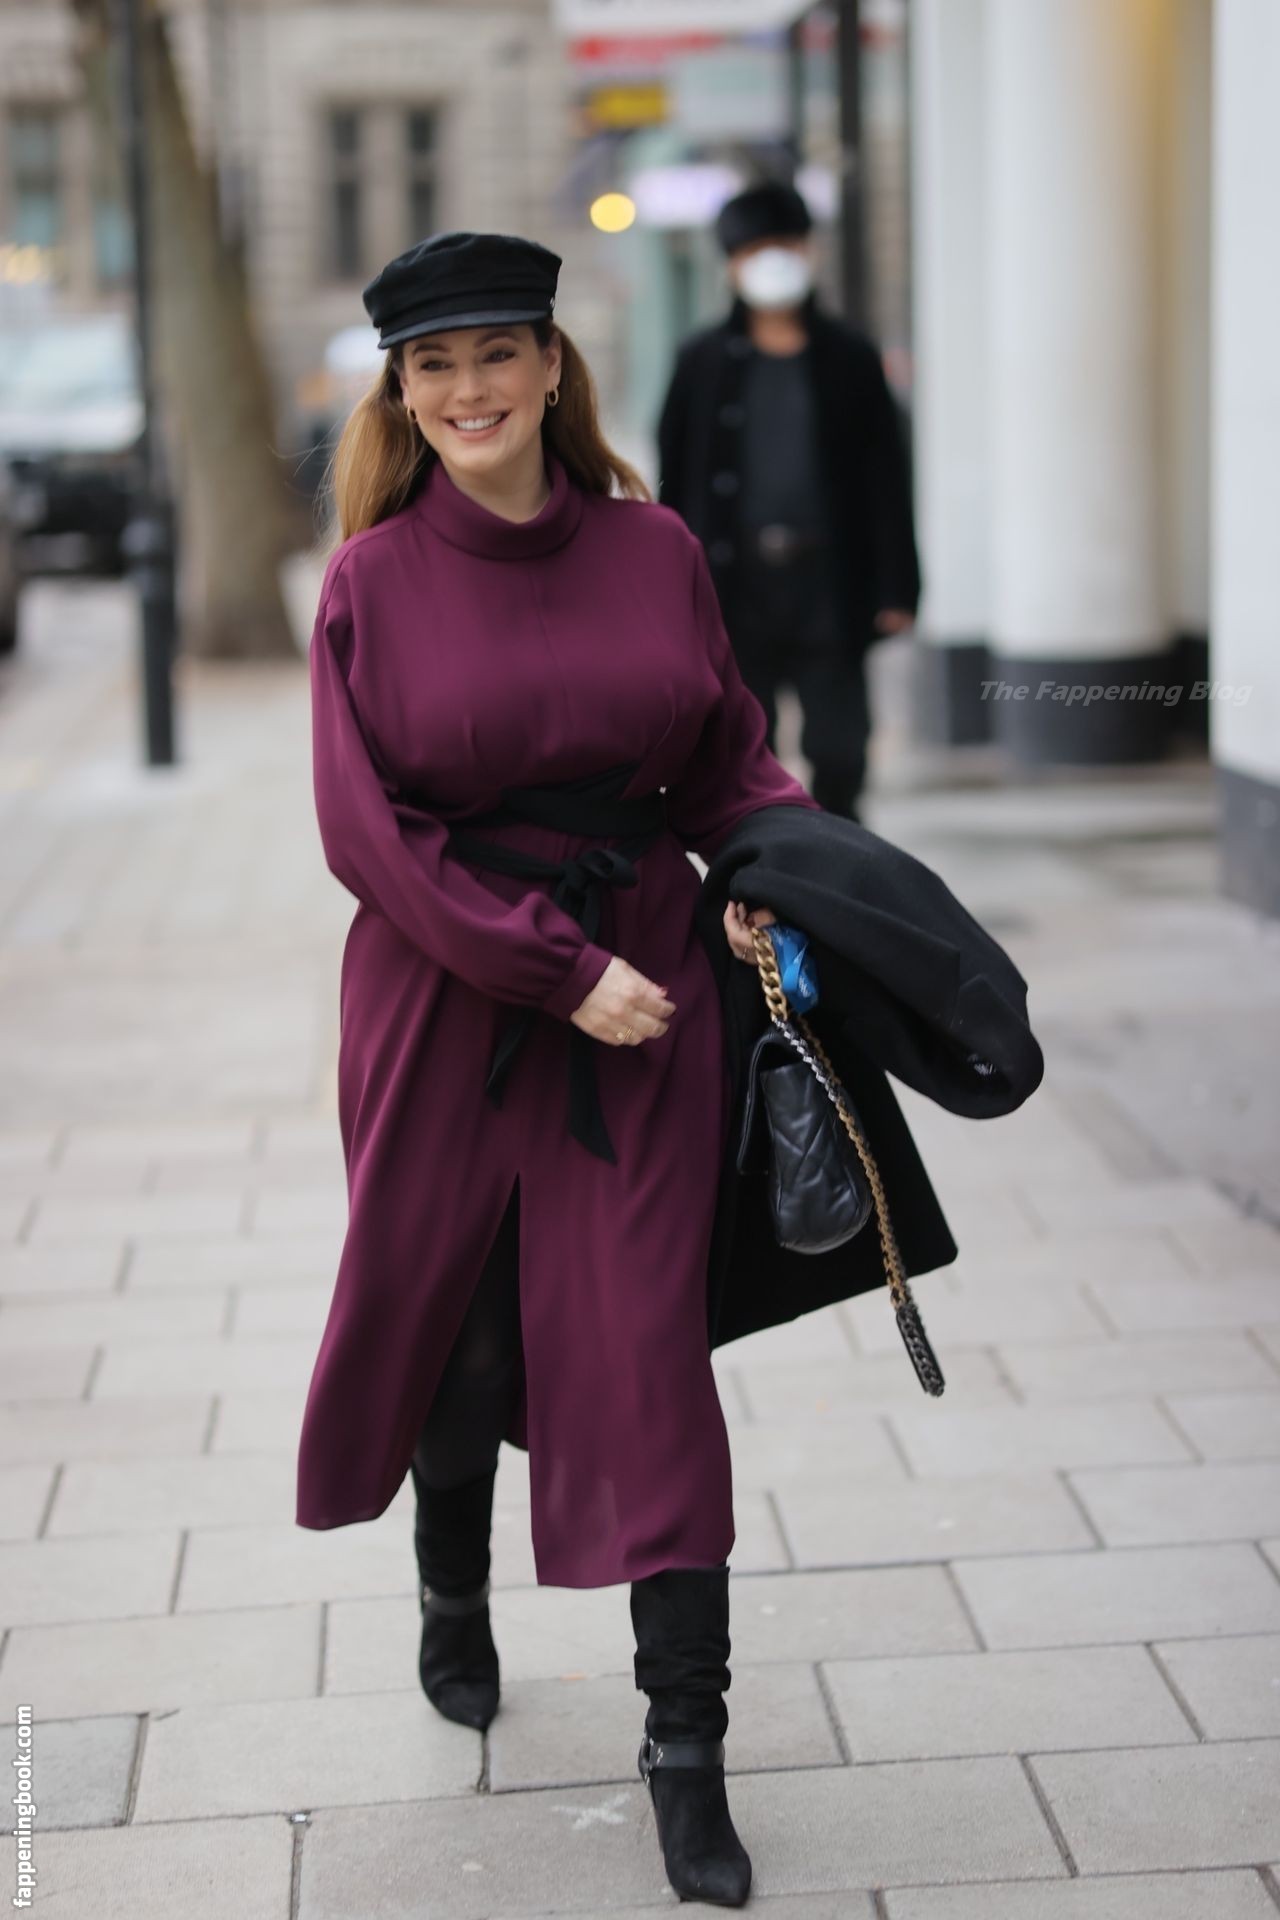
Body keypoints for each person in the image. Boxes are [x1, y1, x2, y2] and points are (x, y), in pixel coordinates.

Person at [296, 228, 828, 1909]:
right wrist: (553, 970)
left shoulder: (655, 548)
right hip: (444, 1001)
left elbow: (728, 760)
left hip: (647, 998)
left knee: (646, 1357)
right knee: (457, 1346)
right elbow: (366, 838)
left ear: (549, 365)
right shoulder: (370, 583)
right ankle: (451, 1587)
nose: (469, 390)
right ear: (403, 391)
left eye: (496, 354)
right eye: (433, 365)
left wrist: (773, 877)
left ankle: (687, 1753)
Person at [657, 179, 922, 824]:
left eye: (784, 244)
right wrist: (671, 588)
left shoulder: (851, 357)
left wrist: (897, 586)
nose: (772, 261)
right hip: (736, 582)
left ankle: (840, 851)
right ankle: (770, 855)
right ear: (731, 263)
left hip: (830, 579)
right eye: (755, 249)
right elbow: (673, 478)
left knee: (841, 745)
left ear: (809, 250)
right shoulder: (701, 361)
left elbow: (887, 475)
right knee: (747, 746)